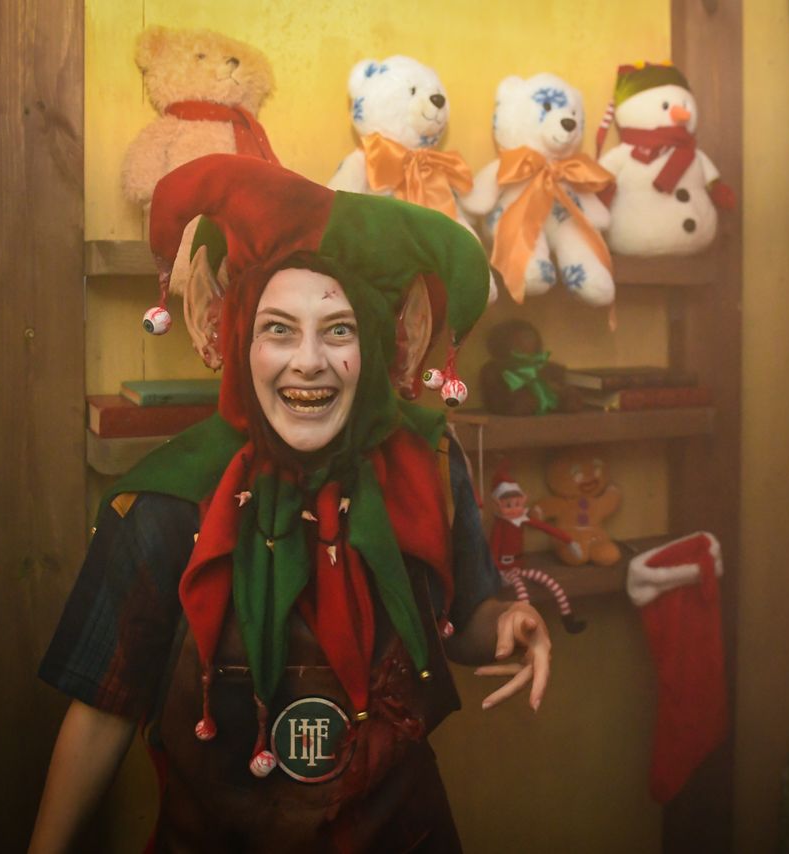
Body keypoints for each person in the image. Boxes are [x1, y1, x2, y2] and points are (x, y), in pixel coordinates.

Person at [29, 155, 551, 853]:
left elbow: (466, 621)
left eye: (338, 330)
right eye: (278, 329)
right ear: (239, 341)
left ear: (376, 346)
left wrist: (509, 622)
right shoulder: (164, 506)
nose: (309, 360)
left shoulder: (429, 466)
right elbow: (102, 712)